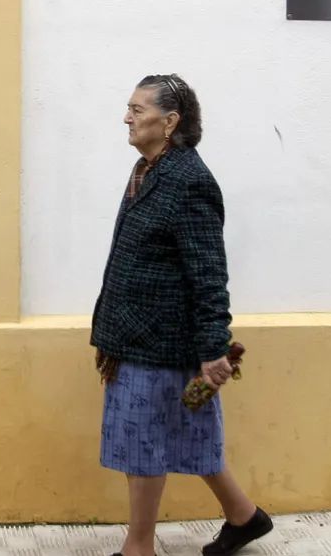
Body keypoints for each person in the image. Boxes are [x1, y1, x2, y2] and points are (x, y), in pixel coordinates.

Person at [90, 74, 273, 556]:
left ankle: (139, 547)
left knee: (143, 442)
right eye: (128, 107)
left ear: (169, 121)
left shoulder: (188, 182)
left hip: (160, 344)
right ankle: (245, 517)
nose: (126, 117)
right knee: (189, 434)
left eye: (137, 108)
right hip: (137, 336)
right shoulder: (147, 170)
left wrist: (215, 349)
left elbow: (209, 273)